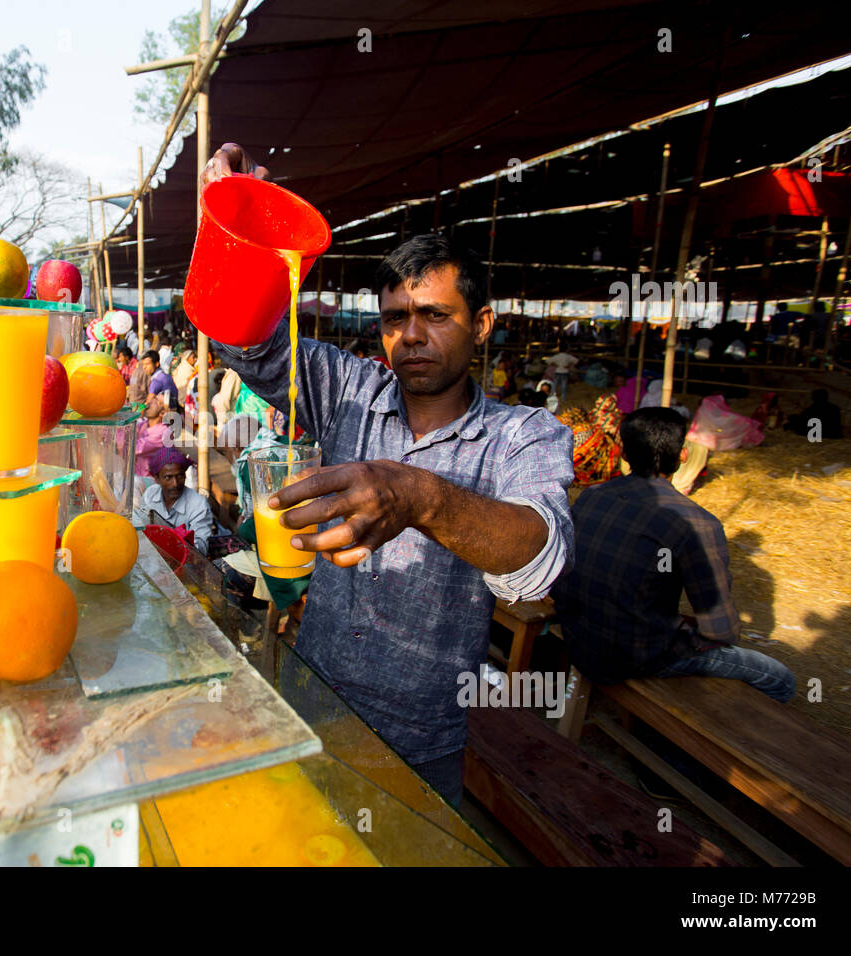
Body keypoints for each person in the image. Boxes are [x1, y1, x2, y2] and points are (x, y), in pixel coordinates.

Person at [203, 141, 573, 809]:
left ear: (481, 323)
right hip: (312, 698)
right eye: (395, 319)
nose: (412, 335)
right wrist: (247, 240)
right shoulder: (345, 387)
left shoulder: (523, 436)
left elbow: (542, 559)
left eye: (436, 316)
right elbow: (247, 341)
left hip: (424, 739)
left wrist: (420, 497)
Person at [552, 407, 795, 702]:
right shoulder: (696, 523)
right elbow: (721, 630)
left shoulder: (591, 496)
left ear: (624, 454)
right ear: (682, 456)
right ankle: (692, 746)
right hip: (636, 657)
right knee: (780, 679)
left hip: (579, 639)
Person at [133, 447, 213, 555]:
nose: (175, 483)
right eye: (168, 477)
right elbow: (144, 530)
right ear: (156, 479)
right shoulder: (150, 495)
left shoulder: (199, 505)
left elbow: (200, 549)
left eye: (179, 476)